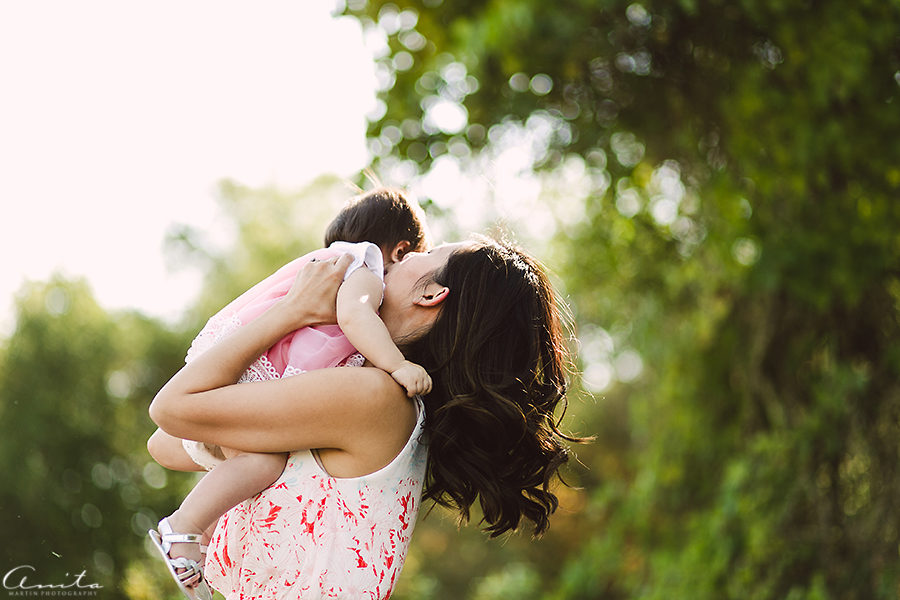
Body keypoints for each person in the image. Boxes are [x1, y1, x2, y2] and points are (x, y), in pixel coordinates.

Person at [149, 233, 579, 599]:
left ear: (431, 294)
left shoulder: (376, 397)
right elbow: (166, 442)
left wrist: (290, 311)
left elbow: (171, 408)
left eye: (428, 255)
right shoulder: (364, 394)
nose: (405, 256)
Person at [146, 188, 431, 600]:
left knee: (249, 462)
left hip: (250, 369)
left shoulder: (324, 262)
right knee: (263, 462)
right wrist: (398, 364)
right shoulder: (366, 265)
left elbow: (162, 443)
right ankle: (184, 528)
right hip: (269, 377)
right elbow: (356, 315)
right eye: (422, 256)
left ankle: (198, 541)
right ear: (401, 251)